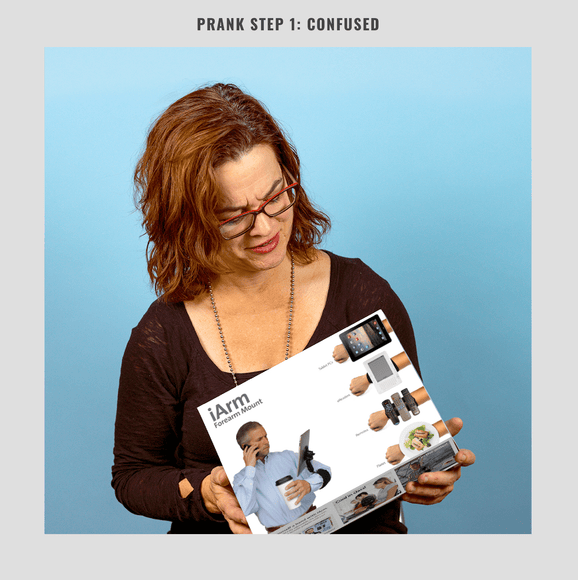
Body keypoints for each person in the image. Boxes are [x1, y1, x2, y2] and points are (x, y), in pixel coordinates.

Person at [111, 82, 476, 534]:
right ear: (187, 220)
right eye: (233, 216)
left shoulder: (362, 294)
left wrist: (429, 471)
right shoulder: (163, 335)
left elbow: (403, 439)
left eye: (275, 197)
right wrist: (205, 493)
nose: (264, 228)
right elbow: (133, 476)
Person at [232, 422, 331, 533]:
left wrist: (309, 484)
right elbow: (245, 509)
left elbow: (325, 471)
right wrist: (249, 469)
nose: (266, 442)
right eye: (260, 439)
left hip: (313, 521)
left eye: (266, 436)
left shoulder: (287, 456)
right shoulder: (240, 479)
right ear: (245, 447)